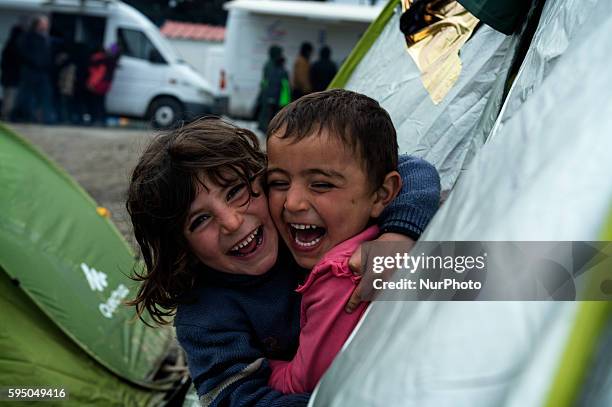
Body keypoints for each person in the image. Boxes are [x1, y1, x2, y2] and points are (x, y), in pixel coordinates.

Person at [126, 117, 440, 405]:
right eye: (200, 220)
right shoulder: (205, 316)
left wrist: (399, 236)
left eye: (236, 191)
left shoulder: (298, 229)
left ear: (263, 181)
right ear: (181, 247)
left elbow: (411, 169)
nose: (232, 222)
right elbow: (238, 400)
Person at [265, 89, 438, 393]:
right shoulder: (365, 232)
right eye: (278, 183)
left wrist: (260, 366)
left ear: (383, 195)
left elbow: (303, 382)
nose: (292, 203)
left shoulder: (344, 274)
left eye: (320, 185)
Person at [15, 15, 54, 123]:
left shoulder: (46, 38)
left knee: (45, 94)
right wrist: (34, 62)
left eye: (46, 24)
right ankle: (27, 116)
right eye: (43, 24)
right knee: (27, 95)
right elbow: (22, 52)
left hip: (43, 71)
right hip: (30, 70)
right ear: (37, 24)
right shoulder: (28, 37)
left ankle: (45, 118)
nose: (46, 26)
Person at [257, 45, 291, 132]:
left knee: (269, 116)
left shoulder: (270, 64)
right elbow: (272, 82)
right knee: (269, 116)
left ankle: (267, 130)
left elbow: (265, 82)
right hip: (273, 96)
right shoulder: (273, 66)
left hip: (272, 96)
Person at [86, 43, 120, 126]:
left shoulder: (101, 59)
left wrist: (91, 84)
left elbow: (99, 74)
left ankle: (96, 120)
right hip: (105, 85)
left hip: (98, 84)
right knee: (101, 103)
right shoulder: (113, 60)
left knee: (96, 103)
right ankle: (101, 120)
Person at [1, 25, 23, 121]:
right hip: (12, 76)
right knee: (10, 97)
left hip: (8, 76)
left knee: (8, 96)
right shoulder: (15, 46)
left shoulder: (9, 45)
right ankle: (5, 116)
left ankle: (6, 115)